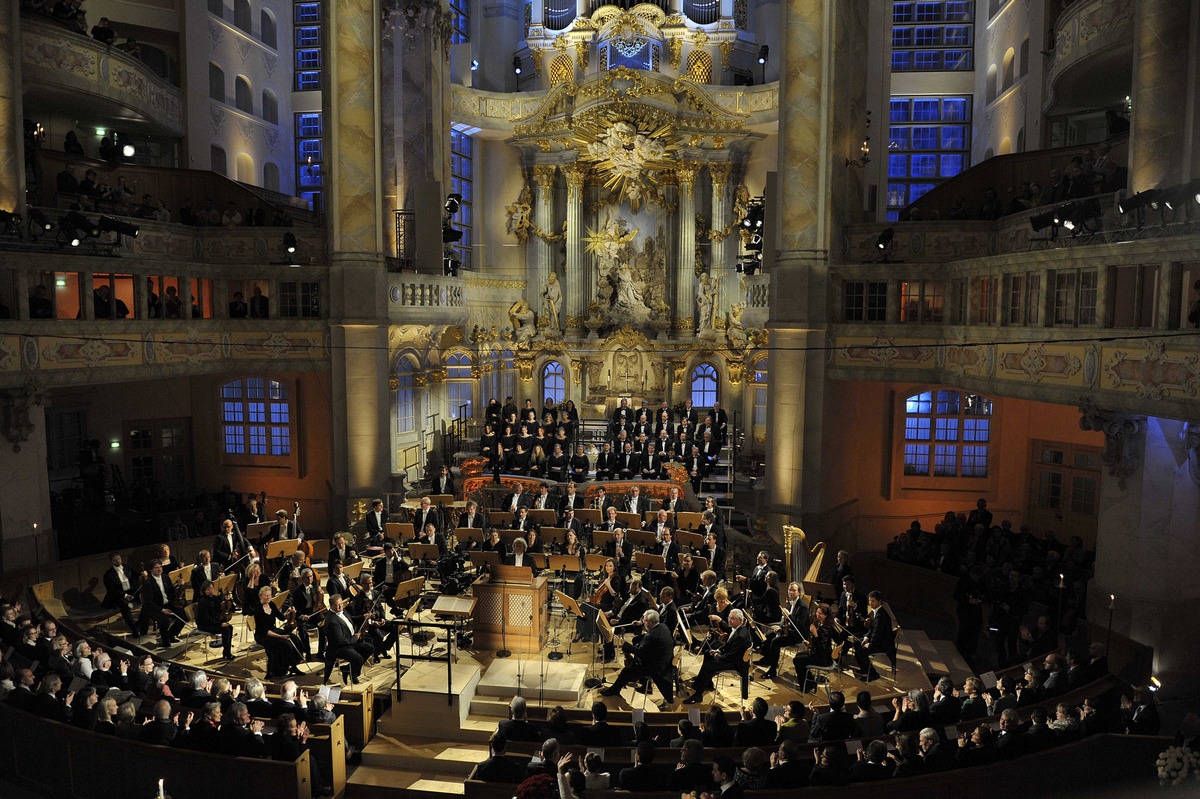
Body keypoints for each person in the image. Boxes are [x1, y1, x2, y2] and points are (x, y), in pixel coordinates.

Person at [600, 609, 674, 702]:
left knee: (626, 671)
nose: (643, 622)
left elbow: (639, 652)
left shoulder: (651, 636)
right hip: (665, 661)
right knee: (636, 641)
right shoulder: (663, 626)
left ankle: (614, 690)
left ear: (651, 621)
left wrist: (625, 645)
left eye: (644, 620)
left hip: (656, 667)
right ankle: (644, 683)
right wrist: (640, 624)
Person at [683, 607, 752, 703]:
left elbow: (731, 656)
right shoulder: (738, 628)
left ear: (740, 620)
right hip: (733, 658)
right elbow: (728, 646)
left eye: (732, 618)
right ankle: (706, 683)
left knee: (708, 666)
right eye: (729, 618)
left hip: (736, 664)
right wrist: (718, 651)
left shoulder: (741, 636)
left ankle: (698, 695)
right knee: (707, 653)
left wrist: (718, 656)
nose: (729, 620)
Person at [323, 592, 374, 684]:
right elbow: (340, 640)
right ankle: (353, 673)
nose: (340, 607)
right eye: (337, 605)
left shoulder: (342, 610)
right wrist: (355, 638)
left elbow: (350, 619)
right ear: (331, 606)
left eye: (341, 604)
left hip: (350, 641)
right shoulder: (332, 621)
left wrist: (363, 616)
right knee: (358, 659)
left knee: (369, 649)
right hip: (340, 647)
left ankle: (348, 669)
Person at [140, 559, 184, 646]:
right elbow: (149, 602)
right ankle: (165, 642)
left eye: (160, 567)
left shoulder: (165, 577)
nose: (159, 569)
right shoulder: (148, 583)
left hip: (167, 604)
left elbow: (171, 593)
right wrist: (162, 610)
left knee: (183, 614)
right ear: (151, 570)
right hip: (155, 608)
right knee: (165, 620)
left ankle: (171, 635)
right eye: (156, 568)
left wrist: (179, 586)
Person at [855, 590, 896, 681]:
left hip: (882, 645)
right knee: (856, 642)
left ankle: (872, 674)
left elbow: (877, 635)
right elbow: (872, 630)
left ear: (879, 601)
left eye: (873, 601)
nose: (870, 603)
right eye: (869, 601)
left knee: (860, 652)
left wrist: (868, 644)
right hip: (878, 641)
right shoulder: (877, 612)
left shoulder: (881, 616)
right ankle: (866, 670)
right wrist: (865, 638)